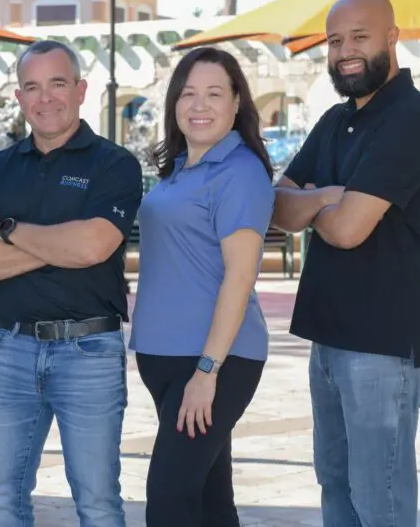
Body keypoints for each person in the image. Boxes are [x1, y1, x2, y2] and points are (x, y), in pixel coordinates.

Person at [271, 0, 420, 527]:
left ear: (392, 37)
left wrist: (317, 203)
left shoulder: (411, 119)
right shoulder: (334, 120)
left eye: (359, 37)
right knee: (336, 486)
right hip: (328, 334)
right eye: (334, 41)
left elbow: (348, 231)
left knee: (379, 501)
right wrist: (330, 197)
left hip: (385, 341)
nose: (344, 50)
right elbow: (276, 204)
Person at [0, 39, 143, 527]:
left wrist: (10, 231)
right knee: (3, 501)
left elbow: (93, 247)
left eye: (57, 84)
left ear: (80, 90)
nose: (46, 98)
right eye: (32, 87)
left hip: (89, 352)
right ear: (19, 97)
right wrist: (59, 246)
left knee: (98, 504)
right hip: (10, 350)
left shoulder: (113, 163)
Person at [129, 46, 275, 526]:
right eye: (188, 93)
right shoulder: (180, 169)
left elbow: (240, 275)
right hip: (166, 358)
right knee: (211, 501)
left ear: (237, 103)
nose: (199, 105)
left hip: (214, 360)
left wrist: (208, 371)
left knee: (169, 498)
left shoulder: (240, 171)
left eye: (214, 94)